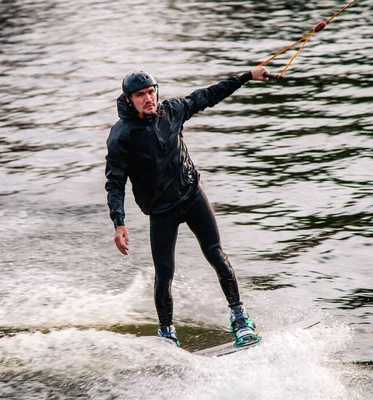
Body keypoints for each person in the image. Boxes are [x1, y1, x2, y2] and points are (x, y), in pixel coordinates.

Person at [105, 66, 270, 347]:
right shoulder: (121, 136)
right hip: (161, 211)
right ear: (129, 99)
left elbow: (208, 95)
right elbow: (115, 182)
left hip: (192, 195)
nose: (148, 98)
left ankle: (240, 318)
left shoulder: (172, 111)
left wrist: (247, 76)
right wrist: (119, 222)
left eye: (151, 92)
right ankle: (167, 333)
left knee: (216, 255)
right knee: (164, 272)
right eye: (140, 95)